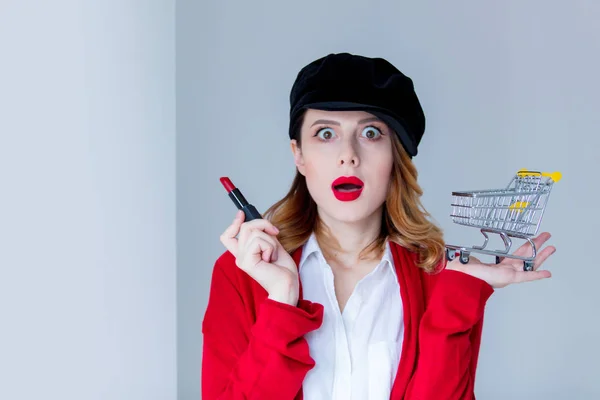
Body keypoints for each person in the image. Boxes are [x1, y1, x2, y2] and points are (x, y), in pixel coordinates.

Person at [201, 53, 555, 400]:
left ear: (395, 155)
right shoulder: (243, 277)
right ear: (298, 154)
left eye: (371, 133)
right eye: (326, 134)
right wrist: (281, 300)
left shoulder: (438, 278)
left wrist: (461, 293)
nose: (348, 155)